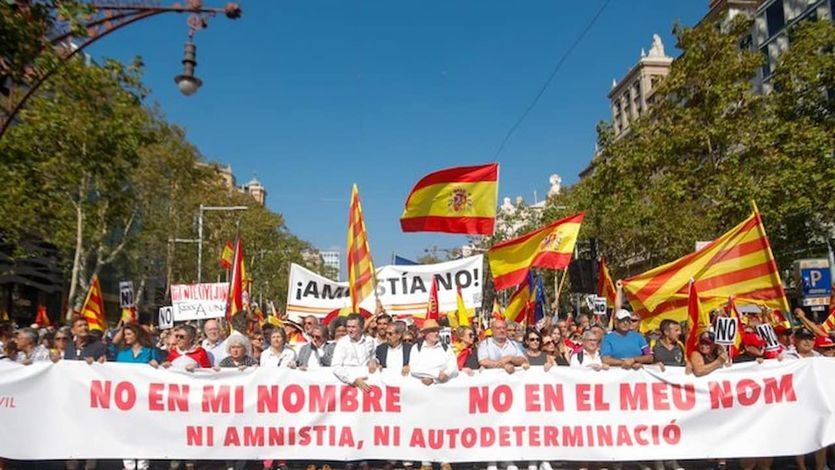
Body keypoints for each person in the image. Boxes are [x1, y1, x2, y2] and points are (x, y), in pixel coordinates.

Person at [331, 313, 376, 391]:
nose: (350, 330)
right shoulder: (342, 343)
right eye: (348, 327)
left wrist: (375, 361)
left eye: (353, 327)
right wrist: (353, 380)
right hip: (348, 386)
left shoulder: (370, 341)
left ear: (361, 328)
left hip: (368, 384)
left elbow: (374, 358)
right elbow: (336, 367)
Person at [408, 319, 458, 384]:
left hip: (442, 389)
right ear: (425, 333)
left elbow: (454, 368)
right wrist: (436, 374)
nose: (436, 333)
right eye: (433, 331)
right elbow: (413, 369)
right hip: (421, 390)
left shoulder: (446, 347)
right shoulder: (416, 348)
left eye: (437, 331)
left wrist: (444, 375)